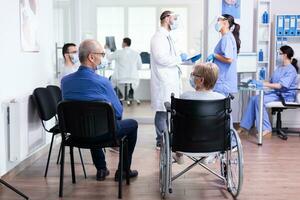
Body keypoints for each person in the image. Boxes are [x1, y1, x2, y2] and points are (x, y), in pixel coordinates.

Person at [61, 39, 138, 181]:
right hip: (102, 135)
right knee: (132, 124)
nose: (103, 57)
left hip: (75, 135)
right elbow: (118, 112)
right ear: (91, 57)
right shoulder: (102, 82)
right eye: (101, 54)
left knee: (88, 121)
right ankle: (123, 171)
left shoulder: (65, 81)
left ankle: (101, 169)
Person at [238, 45, 299, 137]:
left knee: (259, 100)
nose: (278, 55)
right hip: (276, 94)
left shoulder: (291, 70)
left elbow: (280, 85)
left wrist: (263, 85)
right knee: (253, 98)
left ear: (285, 55)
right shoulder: (279, 68)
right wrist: (258, 82)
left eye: (280, 53)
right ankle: (245, 127)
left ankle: (266, 129)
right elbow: (270, 81)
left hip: (285, 96)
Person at [173, 62, 226, 164]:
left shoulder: (185, 97)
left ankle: (179, 155)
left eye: (193, 75)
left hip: (185, 144)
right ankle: (211, 154)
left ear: (201, 80)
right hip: (215, 145)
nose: (191, 78)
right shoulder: (221, 99)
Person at [150, 10, 188, 148]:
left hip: (169, 79)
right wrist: (178, 59)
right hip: (163, 80)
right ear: (166, 18)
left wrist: (183, 59)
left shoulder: (168, 36)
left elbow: (170, 56)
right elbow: (161, 58)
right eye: (174, 18)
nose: (176, 20)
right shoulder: (158, 37)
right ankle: (160, 140)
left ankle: (166, 138)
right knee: (161, 111)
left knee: (167, 111)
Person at [206, 14, 241, 96]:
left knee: (219, 107)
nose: (217, 23)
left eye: (218, 21)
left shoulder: (226, 38)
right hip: (223, 81)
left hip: (223, 82)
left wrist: (214, 55)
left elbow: (229, 59)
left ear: (225, 23)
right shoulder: (227, 37)